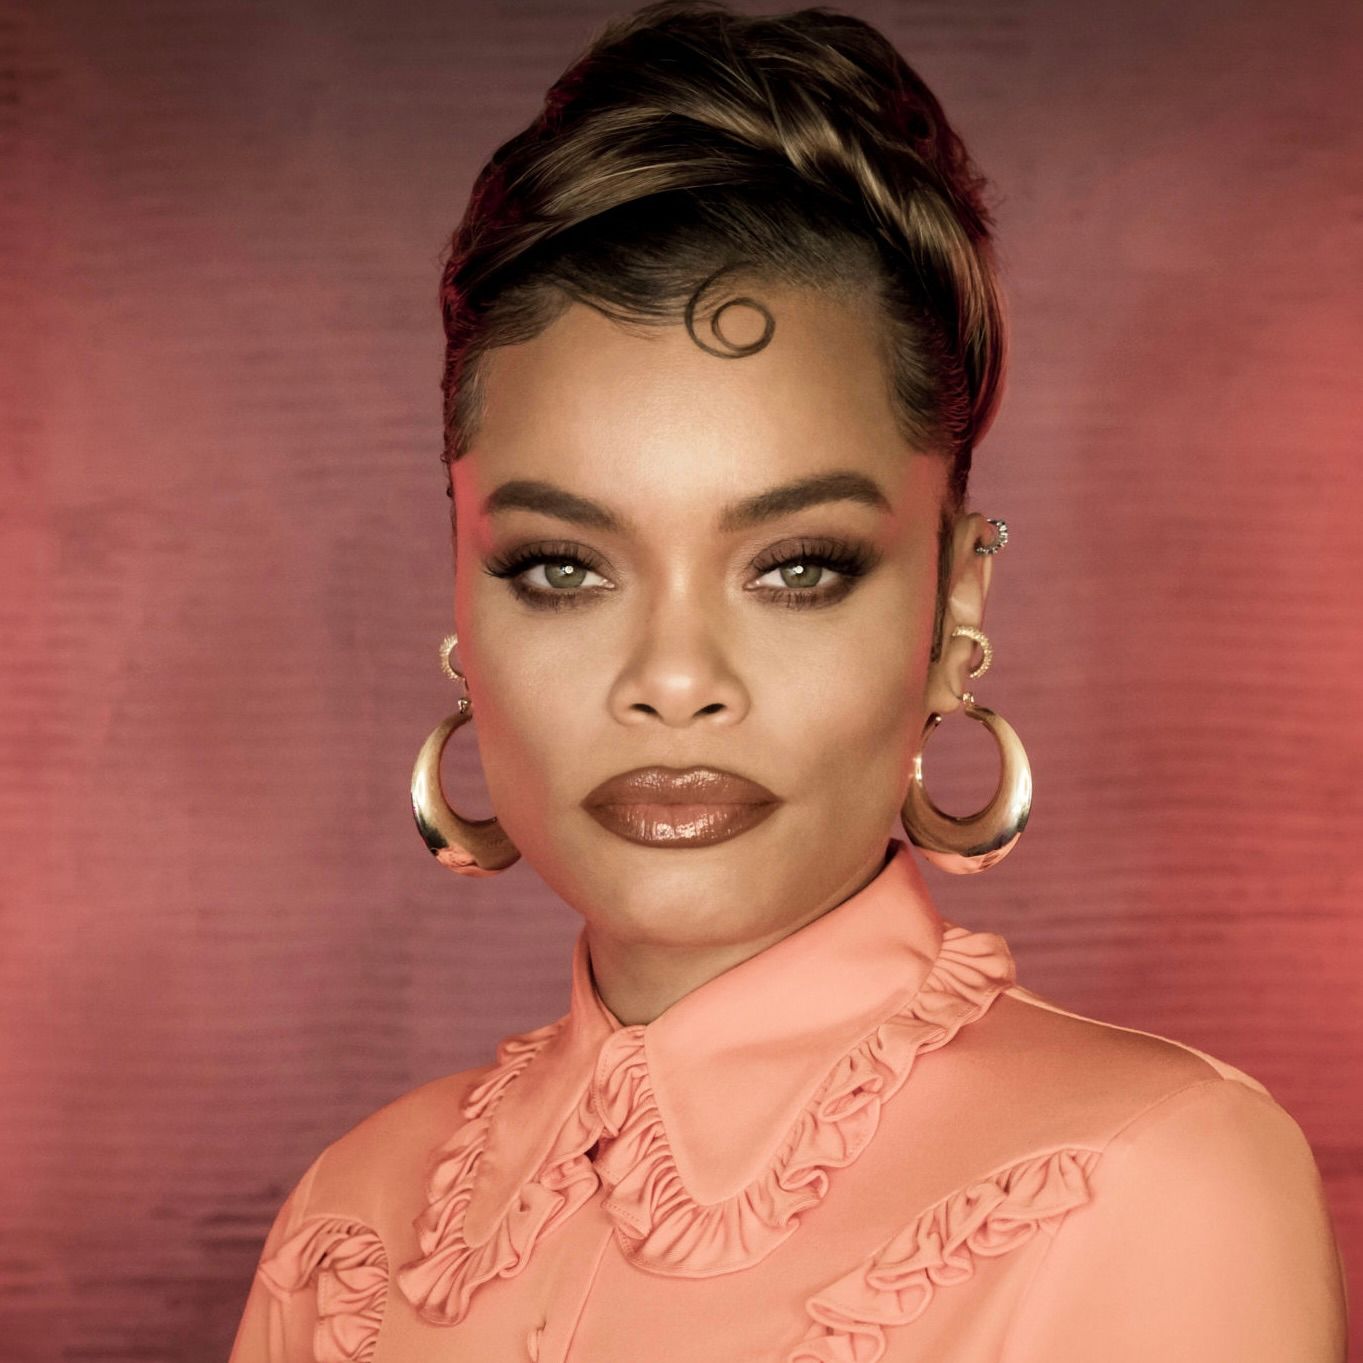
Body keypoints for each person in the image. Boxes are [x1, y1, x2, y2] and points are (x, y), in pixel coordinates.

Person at [226, 2, 1350, 1359]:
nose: (675, 680)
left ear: (953, 612)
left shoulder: (1149, 1179)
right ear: (461, 599)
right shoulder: (350, 1223)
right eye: (564, 568)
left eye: (799, 566)